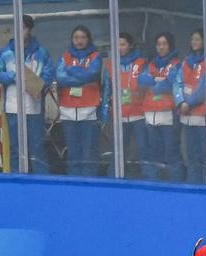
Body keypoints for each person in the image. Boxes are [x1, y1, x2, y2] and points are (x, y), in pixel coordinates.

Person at [0, 14, 53, 174]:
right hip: (13, 107)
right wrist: (12, 76)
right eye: (16, 27)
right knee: (16, 147)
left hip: (34, 107)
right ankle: (16, 179)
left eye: (23, 28)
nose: (19, 31)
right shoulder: (5, 52)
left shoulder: (41, 53)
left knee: (37, 147)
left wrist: (38, 84)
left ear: (30, 30)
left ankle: (42, 180)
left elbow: (49, 74)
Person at [176, 30, 206, 184]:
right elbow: (177, 83)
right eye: (193, 39)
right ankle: (193, 185)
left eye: (197, 39)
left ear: (205, 41)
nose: (194, 42)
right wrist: (180, 102)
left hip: (204, 118)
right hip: (187, 117)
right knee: (191, 156)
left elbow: (205, 88)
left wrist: (188, 103)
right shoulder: (186, 61)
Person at [55, 25, 104, 176]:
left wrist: (71, 70)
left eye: (83, 37)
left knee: (89, 150)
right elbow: (60, 77)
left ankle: (90, 181)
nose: (79, 41)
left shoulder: (95, 56)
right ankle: (74, 180)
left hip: (89, 110)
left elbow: (92, 74)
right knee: (73, 150)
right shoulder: (65, 56)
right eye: (76, 37)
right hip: (68, 110)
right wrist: (81, 76)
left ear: (88, 39)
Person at [136, 32, 180, 181]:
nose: (161, 47)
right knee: (154, 152)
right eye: (158, 44)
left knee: (171, 152)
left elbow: (170, 83)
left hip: (169, 115)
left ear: (170, 45)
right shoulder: (150, 64)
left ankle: (174, 183)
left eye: (164, 44)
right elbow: (141, 80)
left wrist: (154, 82)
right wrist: (158, 79)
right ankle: (155, 183)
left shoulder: (176, 64)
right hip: (151, 115)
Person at [103, 32, 147, 177]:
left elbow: (147, 87)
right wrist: (105, 112)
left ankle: (147, 180)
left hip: (139, 114)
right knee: (117, 150)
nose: (119, 48)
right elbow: (107, 89)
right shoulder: (110, 64)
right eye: (117, 45)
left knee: (143, 148)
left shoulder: (141, 63)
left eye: (123, 44)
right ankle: (114, 179)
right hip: (118, 115)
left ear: (130, 45)